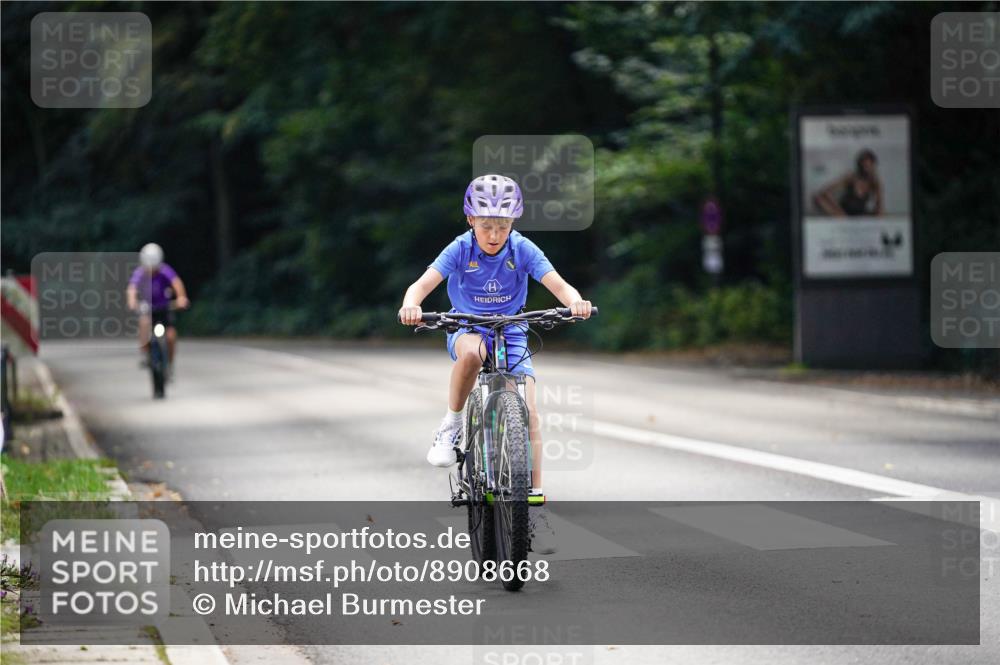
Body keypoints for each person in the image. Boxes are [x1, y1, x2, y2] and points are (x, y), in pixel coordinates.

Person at [399, 174, 592, 554]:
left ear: (513, 223)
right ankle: (452, 423)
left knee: (529, 413)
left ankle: (532, 507)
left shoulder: (522, 249)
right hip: (466, 326)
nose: (494, 234)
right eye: (486, 225)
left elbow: (558, 284)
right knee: (472, 354)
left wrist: (576, 302)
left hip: (512, 329)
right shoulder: (460, 249)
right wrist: (411, 306)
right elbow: (420, 286)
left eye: (502, 226)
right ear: (471, 220)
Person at [126, 243, 189, 375]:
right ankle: (145, 354)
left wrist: (181, 298)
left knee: (170, 336)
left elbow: (176, 283)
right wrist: (132, 302)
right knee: (144, 324)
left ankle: (170, 365)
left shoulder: (165, 271)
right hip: (148, 309)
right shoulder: (140, 273)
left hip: (165, 308)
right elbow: (132, 288)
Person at [812, 149, 883, 217]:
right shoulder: (851, 177)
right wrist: (838, 209)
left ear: (873, 166)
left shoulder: (874, 182)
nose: (867, 169)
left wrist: (878, 215)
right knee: (817, 197)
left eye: (869, 166)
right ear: (859, 165)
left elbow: (879, 205)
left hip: (861, 213)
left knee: (881, 214)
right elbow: (826, 191)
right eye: (864, 166)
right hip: (844, 213)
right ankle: (841, 217)